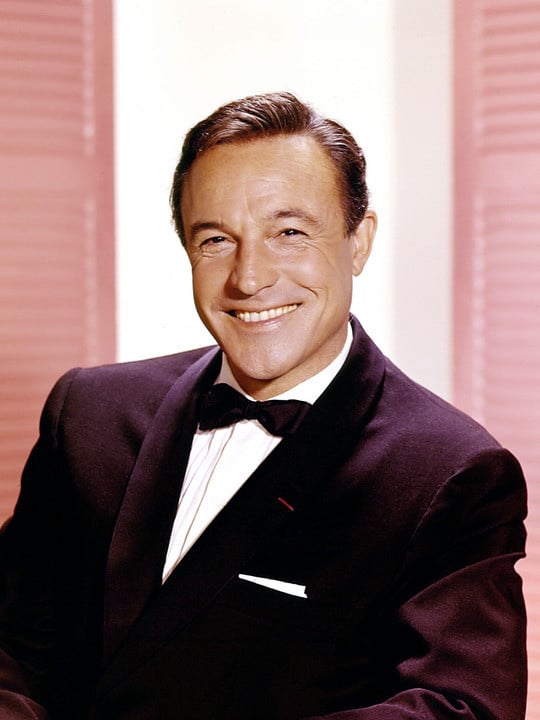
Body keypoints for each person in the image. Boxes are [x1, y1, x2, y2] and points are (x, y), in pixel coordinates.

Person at [0, 92, 527, 719]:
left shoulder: (452, 473)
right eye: (216, 239)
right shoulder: (87, 413)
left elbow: (462, 708)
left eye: (289, 233)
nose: (249, 278)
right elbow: (13, 648)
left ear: (359, 242)